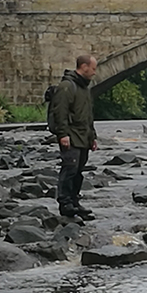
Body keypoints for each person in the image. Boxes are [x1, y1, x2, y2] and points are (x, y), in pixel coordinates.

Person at [51, 54, 99, 219]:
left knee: (78, 171)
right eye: (93, 69)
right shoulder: (66, 86)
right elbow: (60, 112)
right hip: (70, 136)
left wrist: (92, 137)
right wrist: (62, 134)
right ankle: (65, 204)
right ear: (84, 67)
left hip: (83, 137)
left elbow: (88, 116)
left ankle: (74, 201)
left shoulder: (84, 88)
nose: (94, 73)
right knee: (69, 169)